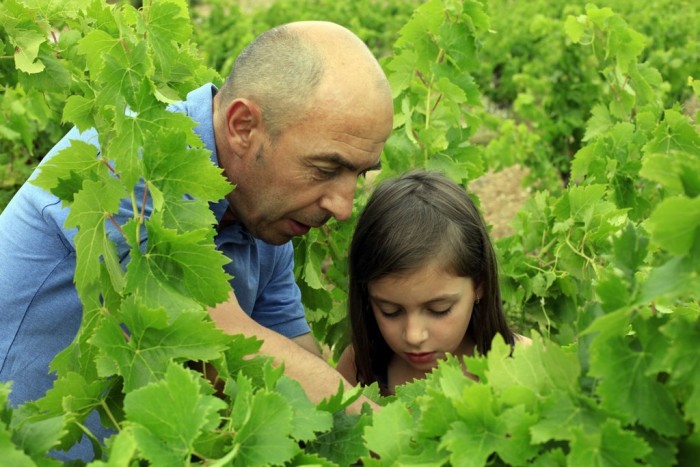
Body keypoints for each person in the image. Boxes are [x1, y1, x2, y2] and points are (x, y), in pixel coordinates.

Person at [0, 21, 393, 459]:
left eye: (359, 174)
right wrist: (399, 442)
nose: (343, 206)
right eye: (325, 168)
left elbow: (295, 361)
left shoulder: (265, 215)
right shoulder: (132, 157)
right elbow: (220, 338)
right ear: (243, 126)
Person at [336, 171, 530, 396]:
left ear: (479, 285)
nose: (413, 336)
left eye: (439, 310)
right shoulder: (360, 368)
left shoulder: (525, 364)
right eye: (390, 311)